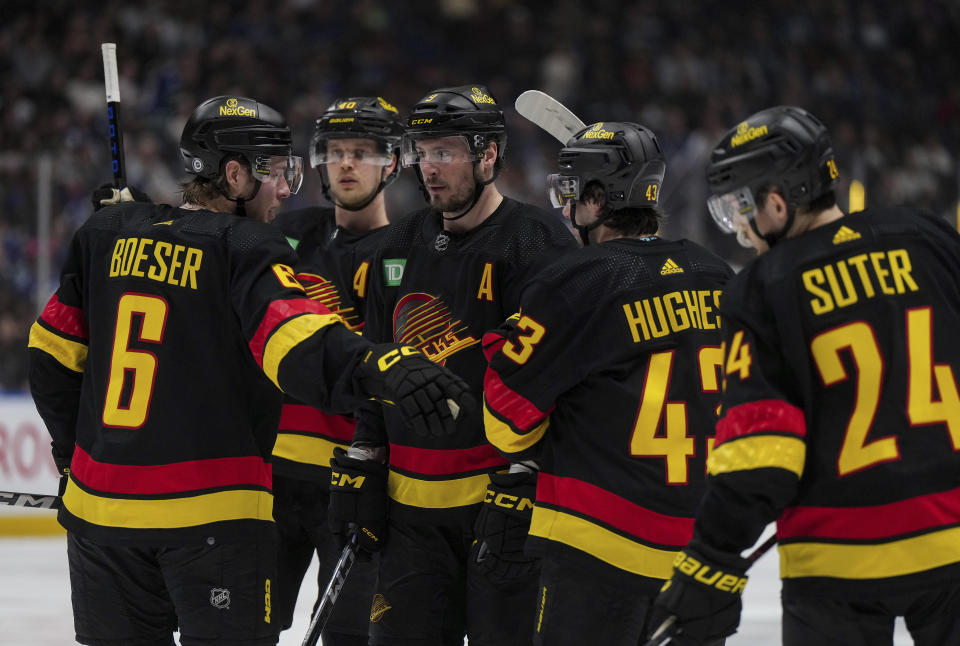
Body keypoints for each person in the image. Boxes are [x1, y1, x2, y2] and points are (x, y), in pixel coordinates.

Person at [27, 95, 468, 646]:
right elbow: (296, 344)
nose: (285, 189)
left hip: (100, 522)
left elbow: (50, 361)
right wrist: (384, 364)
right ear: (233, 175)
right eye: (274, 172)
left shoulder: (104, 232)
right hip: (212, 521)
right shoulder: (249, 245)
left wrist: (72, 459)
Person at [653, 105, 960, 646]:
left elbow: (761, 454)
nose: (741, 229)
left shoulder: (764, 285)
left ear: (776, 202)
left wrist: (710, 561)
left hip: (838, 562)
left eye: (740, 207)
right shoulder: (930, 238)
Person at [329, 84, 578, 646]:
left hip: (503, 509)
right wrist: (364, 457)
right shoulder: (396, 245)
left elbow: (557, 381)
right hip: (410, 516)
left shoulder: (537, 244)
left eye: (445, 152)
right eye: (422, 152)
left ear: (488, 155)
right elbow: (374, 361)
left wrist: (531, 478)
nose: (429, 167)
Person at [481, 121, 734, 646]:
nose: (565, 206)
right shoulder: (716, 273)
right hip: (699, 551)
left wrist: (502, 354)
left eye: (572, 191)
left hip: (596, 548)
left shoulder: (577, 281)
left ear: (597, 200)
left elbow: (505, 424)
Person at [269, 96, 404, 646]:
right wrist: (133, 220)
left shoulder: (412, 250)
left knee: (349, 637)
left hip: (353, 485)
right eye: (337, 152)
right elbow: (208, 238)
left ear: (392, 163)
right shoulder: (286, 230)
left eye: (363, 153)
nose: (347, 163)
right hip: (270, 477)